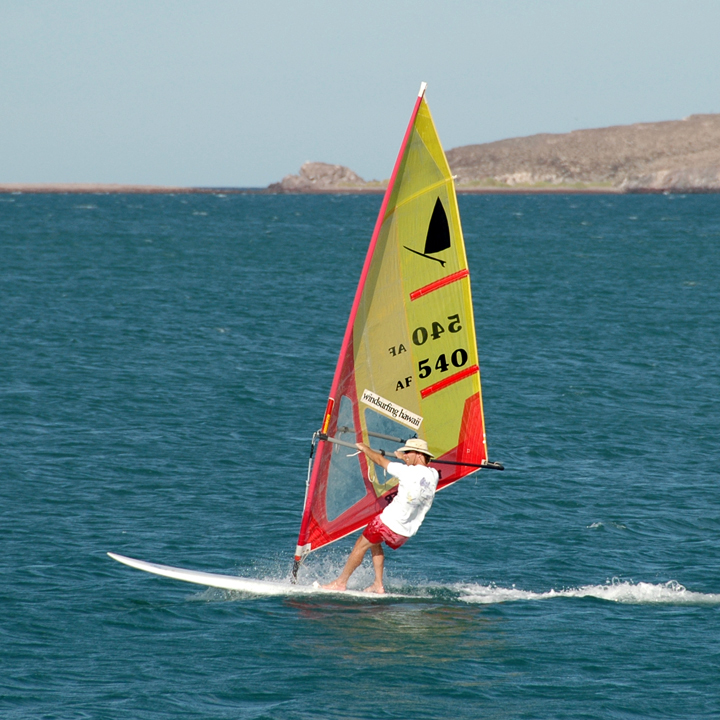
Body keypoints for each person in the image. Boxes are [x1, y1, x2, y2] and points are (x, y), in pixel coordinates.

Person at [322, 437, 439, 594]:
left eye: (408, 453)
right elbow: (418, 468)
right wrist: (404, 457)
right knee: (374, 543)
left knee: (360, 545)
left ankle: (340, 582)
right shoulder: (434, 475)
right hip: (405, 532)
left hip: (388, 522)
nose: (405, 456)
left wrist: (365, 448)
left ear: (418, 454)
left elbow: (378, 459)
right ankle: (378, 584)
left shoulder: (405, 471)